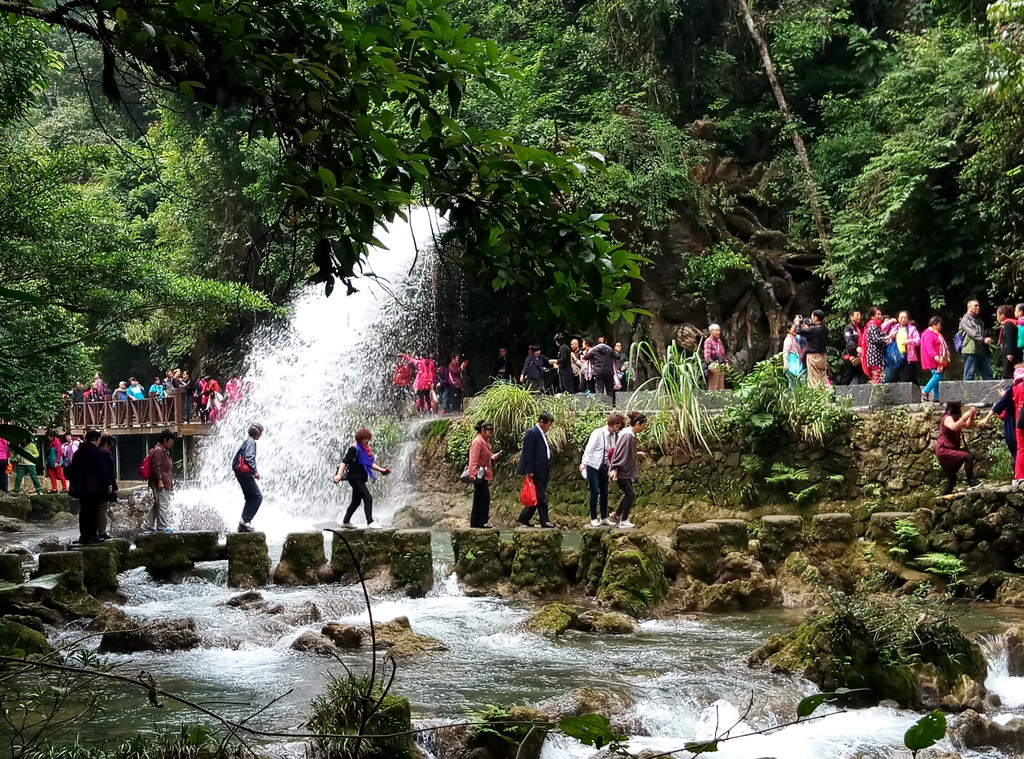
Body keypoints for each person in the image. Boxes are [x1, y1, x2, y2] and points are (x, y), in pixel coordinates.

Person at [333, 428, 392, 529]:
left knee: (356, 501)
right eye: (366, 439)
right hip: (354, 478)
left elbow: (369, 463)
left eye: (368, 439)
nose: (368, 441)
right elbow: (344, 462)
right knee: (367, 497)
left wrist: (381, 470)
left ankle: (346, 522)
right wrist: (339, 475)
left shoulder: (363, 449)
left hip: (360, 478)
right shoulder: (354, 448)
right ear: (360, 439)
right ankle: (370, 522)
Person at [67, 429, 116, 544]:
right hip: (94, 487)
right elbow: (102, 471)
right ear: (95, 439)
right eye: (99, 439)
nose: (100, 441)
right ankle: (92, 535)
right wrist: (108, 484)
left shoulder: (79, 452)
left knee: (84, 511)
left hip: (81, 487)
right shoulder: (97, 453)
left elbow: (73, 470)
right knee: (93, 511)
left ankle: (84, 535)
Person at [580, 413, 624, 526]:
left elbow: (612, 452)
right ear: (610, 424)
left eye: (618, 427)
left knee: (605, 492)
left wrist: (612, 467)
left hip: (605, 466)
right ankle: (593, 518)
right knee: (595, 491)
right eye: (615, 426)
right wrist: (584, 463)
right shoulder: (598, 433)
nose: (616, 429)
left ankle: (603, 517)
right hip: (593, 465)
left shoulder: (613, 436)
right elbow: (589, 448)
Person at [609, 411, 647, 529]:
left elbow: (625, 452)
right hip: (621, 470)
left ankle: (617, 514)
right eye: (643, 425)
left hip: (623, 470)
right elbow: (620, 453)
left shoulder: (627, 434)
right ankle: (623, 520)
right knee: (630, 494)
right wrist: (615, 468)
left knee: (628, 493)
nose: (644, 428)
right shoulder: (627, 435)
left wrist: (636, 454)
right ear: (637, 423)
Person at [936, 401, 984, 495]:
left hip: (950, 449)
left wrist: (971, 415)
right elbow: (954, 427)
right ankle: (971, 482)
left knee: (952, 479)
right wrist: (965, 416)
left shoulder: (956, 418)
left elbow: (968, 425)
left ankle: (941, 501)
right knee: (968, 456)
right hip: (944, 450)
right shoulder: (947, 418)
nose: (961, 409)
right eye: (960, 407)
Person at [517, 411, 555, 528]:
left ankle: (523, 518)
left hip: (542, 468)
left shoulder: (542, 433)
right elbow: (527, 453)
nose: (549, 427)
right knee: (541, 495)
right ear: (542, 422)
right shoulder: (532, 433)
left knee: (536, 496)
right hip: (535, 470)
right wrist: (529, 470)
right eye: (548, 424)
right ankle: (545, 520)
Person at [468, 420, 500, 528]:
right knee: (484, 497)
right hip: (479, 473)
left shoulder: (483, 441)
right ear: (482, 430)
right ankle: (482, 521)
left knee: (479, 496)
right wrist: (472, 473)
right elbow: (474, 458)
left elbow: (484, 455)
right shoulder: (478, 441)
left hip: (482, 473)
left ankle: (476, 522)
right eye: (489, 431)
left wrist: (492, 456)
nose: (490, 434)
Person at [143, 429, 176, 533]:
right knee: (163, 504)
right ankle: (162, 527)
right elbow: (156, 467)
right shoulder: (159, 450)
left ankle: (147, 525)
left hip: (164, 481)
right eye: (171, 441)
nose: (172, 443)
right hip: (160, 482)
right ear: (165, 440)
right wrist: (160, 481)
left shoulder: (163, 450)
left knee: (158, 504)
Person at [233, 424, 264, 533]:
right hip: (245, 473)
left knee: (250, 498)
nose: (261, 435)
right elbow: (249, 457)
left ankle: (243, 523)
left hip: (240, 473)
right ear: (257, 433)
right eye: (261, 432)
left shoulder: (247, 440)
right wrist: (255, 471)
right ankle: (246, 520)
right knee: (257, 497)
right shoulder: (251, 442)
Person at [882, 311, 921, 383]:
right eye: (901, 317)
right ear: (898, 318)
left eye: (905, 318)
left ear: (908, 319)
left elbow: (918, 341)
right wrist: (890, 321)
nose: (903, 319)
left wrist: (908, 342)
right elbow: (882, 328)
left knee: (907, 379)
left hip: (907, 357)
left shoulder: (912, 328)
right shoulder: (893, 327)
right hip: (895, 357)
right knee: (891, 377)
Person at [960, 300, 993, 381]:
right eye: (975, 305)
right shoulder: (965, 319)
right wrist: (983, 339)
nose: (978, 307)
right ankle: (966, 393)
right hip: (970, 350)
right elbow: (972, 332)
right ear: (969, 307)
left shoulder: (978, 319)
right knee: (969, 375)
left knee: (988, 374)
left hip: (980, 350)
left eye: (978, 306)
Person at [796, 310, 829, 388]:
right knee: (823, 378)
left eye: (812, 316)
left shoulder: (814, 329)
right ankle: (826, 396)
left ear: (815, 317)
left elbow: (799, 331)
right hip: (823, 356)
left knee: (814, 379)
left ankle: (816, 398)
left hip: (813, 356)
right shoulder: (825, 329)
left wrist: (798, 323)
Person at [921, 316, 950, 402]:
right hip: (933, 359)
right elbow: (928, 346)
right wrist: (934, 355)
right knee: (938, 375)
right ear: (934, 325)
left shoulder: (935, 333)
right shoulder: (928, 334)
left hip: (938, 358)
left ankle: (936, 396)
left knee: (937, 376)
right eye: (939, 325)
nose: (940, 326)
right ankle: (925, 391)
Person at [859, 307, 886, 384]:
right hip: (874, 355)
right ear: (872, 316)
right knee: (876, 376)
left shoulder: (877, 326)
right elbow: (876, 339)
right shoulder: (872, 325)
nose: (880, 316)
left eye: (881, 314)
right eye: (878, 314)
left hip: (878, 355)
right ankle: (876, 393)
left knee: (879, 376)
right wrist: (886, 338)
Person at [998, 304, 1021, 379]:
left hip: (1011, 354)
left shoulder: (1008, 324)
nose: (997, 317)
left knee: (1008, 373)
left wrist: (1010, 353)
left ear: (1002, 315)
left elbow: (1009, 338)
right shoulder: (1014, 323)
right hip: (1015, 352)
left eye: (997, 314)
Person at [841, 310, 864, 385]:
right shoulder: (848, 328)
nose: (859, 317)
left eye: (860, 315)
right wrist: (856, 348)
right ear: (851, 317)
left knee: (863, 377)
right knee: (847, 377)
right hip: (851, 356)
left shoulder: (861, 328)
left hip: (861, 356)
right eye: (857, 315)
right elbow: (849, 341)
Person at [703, 325, 728, 391]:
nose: (718, 332)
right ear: (711, 332)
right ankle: (712, 400)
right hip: (714, 365)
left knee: (721, 386)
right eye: (716, 331)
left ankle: (720, 400)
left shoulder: (719, 341)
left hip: (721, 364)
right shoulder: (708, 341)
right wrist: (712, 365)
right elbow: (707, 356)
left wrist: (726, 363)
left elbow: (722, 354)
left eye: (719, 331)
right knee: (713, 386)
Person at [783, 321, 804, 388]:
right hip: (791, 361)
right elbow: (785, 351)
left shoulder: (794, 339)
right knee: (792, 380)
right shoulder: (788, 339)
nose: (795, 330)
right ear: (788, 330)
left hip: (796, 360)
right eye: (793, 329)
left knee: (796, 381)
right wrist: (785, 362)